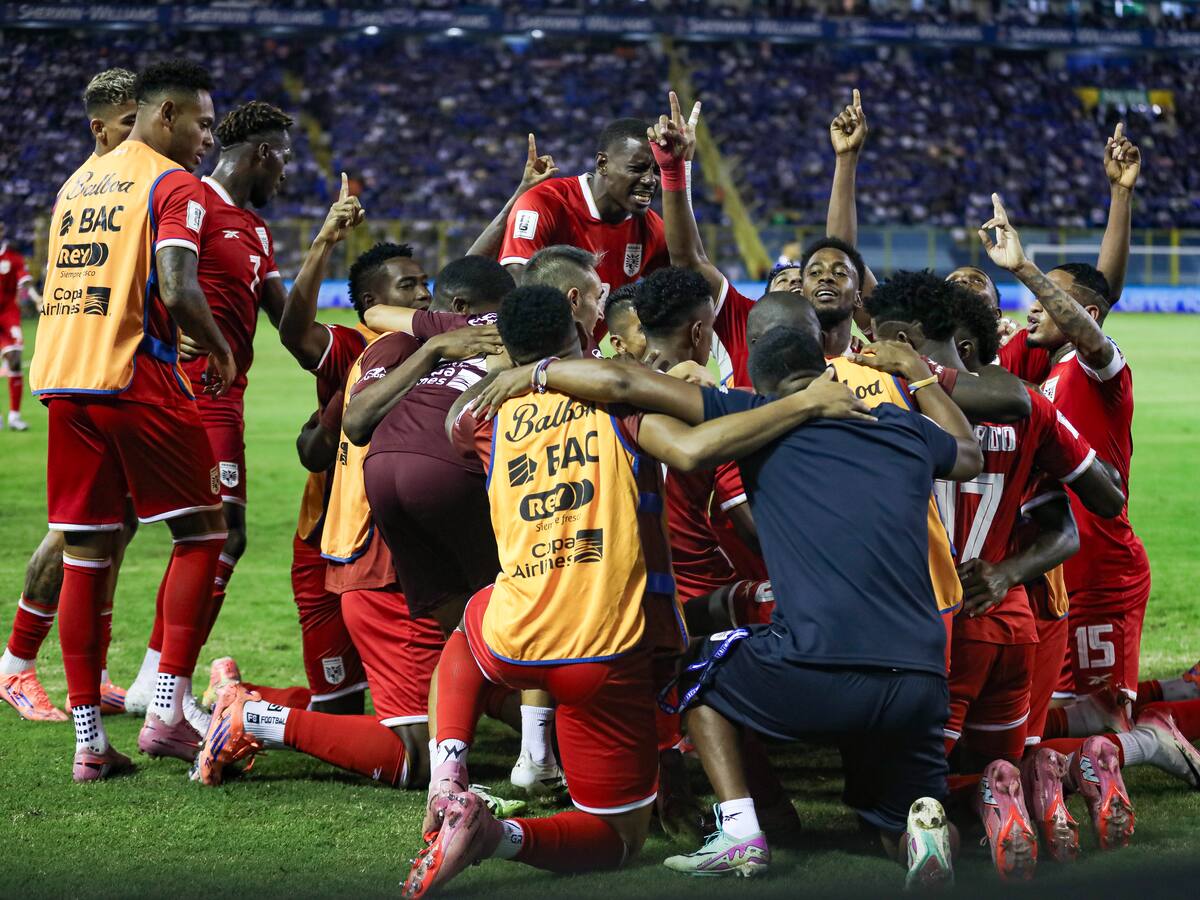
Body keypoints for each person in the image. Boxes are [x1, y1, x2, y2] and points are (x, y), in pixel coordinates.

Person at [405, 285, 873, 897]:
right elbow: (694, 448)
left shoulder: (484, 416)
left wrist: (511, 372)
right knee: (615, 839)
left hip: (515, 637)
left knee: (468, 623)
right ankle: (496, 837)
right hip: (607, 647)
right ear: (578, 331)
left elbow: (455, 415)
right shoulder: (621, 400)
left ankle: (450, 773)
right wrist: (805, 404)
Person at [655, 319, 984, 886]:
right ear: (829, 371)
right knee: (893, 824)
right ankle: (927, 839)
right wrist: (920, 376)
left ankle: (740, 832)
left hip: (813, 668)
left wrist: (542, 369)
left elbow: (624, 388)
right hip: (919, 676)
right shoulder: (903, 427)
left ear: (760, 386)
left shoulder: (753, 418)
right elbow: (969, 454)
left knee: (697, 664)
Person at [865, 271, 1127, 877]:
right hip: (1007, 622)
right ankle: (1040, 785)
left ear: (903, 338)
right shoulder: (1031, 404)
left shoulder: (890, 395)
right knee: (991, 766)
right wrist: (1008, 573)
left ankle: (940, 833)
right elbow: (1102, 504)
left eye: (877, 339)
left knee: (893, 806)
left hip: (928, 623)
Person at [28, 60, 235, 781]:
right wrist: (218, 349)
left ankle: (89, 742)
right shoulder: (172, 183)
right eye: (204, 122)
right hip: (132, 373)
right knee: (205, 530)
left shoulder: (79, 181)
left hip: (63, 380)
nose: (209, 138)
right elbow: (177, 286)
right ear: (167, 113)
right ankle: (167, 717)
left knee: (86, 553)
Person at [195, 321, 502, 789]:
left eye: (423, 282)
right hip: (382, 566)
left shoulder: (412, 354)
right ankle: (250, 717)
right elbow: (314, 432)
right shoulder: (393, 352)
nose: (420, 294)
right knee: (420, 755)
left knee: (346, 703)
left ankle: (245, 696)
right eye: (409, 285)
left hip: (371, 556)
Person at [1, 67, 139, 722]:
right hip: (87, 373)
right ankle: (17, 665)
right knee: (74, 532)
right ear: (101, 126)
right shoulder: (90, 187)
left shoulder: (101, 186)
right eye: (129, 123)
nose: (141, 135)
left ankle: (99, 671)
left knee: (116, 528)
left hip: (112, 372)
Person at [979, 194, 1151, 704]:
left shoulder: (1100, 369)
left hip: (1103, 570)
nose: (1032, 304)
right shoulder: (1042, 366)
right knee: (1056, 705)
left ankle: (1164, 733)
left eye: (1047, 296)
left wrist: (1025, 266)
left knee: (1102, 716)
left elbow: (1093, 321)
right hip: (1050, 564)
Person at [497, 117, 669, 322]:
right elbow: (517, 277)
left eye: (658, 171)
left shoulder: (653, 229)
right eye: (637, 168)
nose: (650, 180)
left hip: (585, 348)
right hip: (532, 342)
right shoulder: (545, 202)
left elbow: (685, 284)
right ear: (602, 163)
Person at [0, 220, 40, 431]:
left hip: (7, 314)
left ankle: (14, 416)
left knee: (14, 360)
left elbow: (24, 281)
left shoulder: (12, 257)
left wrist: (35, 298)